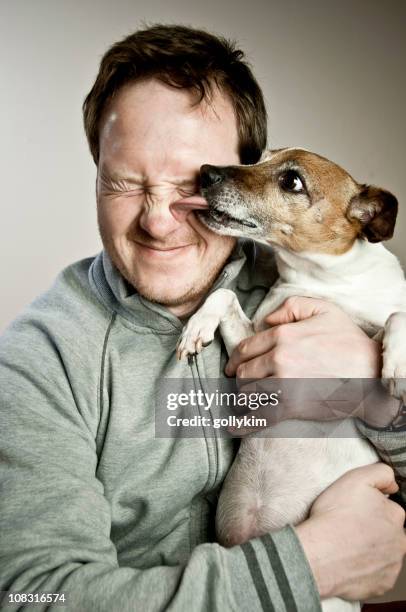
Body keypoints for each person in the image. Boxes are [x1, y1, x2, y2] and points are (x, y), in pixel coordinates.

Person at [0, 24, 405, 612]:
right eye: (123, 183)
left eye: (193, 184)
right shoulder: (43, 359)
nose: (158, 223)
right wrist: (307, 565)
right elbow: (30, 595)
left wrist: (364, 375)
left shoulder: (303, 282)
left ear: (237, 182)